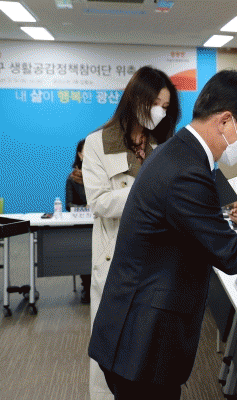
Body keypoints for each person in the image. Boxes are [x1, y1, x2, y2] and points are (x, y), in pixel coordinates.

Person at [88, 70, 237, 399]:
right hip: (142, 341)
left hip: (136, 332)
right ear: (225, 121)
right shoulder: (186, 170)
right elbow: (229, 253)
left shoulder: (178, 153)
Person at [82, 66, 181, 400]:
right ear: (135, 100)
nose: (160, 112)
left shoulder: (163, 144)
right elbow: (99, 202)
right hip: (115, 261)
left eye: (165, 107)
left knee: (147, 350)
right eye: (155, 104)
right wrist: (147, 193)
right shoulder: (98, 142)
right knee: (109, 348)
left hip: (156, 263)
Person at [66, 138, 91, 303]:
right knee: (85, 250)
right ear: (80, 155)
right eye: (86, 150)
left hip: (101, 221)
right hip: (83, 223)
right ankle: (87, 287)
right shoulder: (73, 178)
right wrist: (85, 208)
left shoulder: (100, 175)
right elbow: (69, 205)